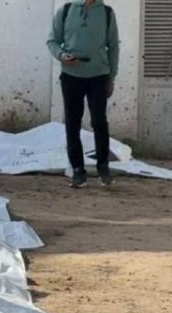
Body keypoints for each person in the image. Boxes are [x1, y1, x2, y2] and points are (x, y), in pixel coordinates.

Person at [47, 0, 120, 188]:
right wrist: (62, 55)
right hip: (71, 77)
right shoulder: (66, 11)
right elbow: (52, 41)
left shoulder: (106, 13)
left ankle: (103, 167)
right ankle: (78, 171)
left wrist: (111, 77)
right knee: (72, 124)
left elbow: (113, 46)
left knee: (99, 122)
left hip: (98, 76)